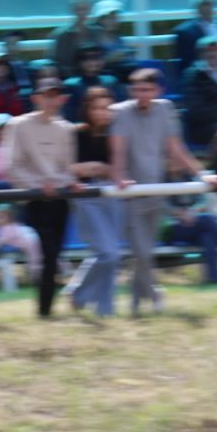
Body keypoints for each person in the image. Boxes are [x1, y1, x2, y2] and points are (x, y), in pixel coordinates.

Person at [110, 69, 217, 314]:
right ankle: (155, 296)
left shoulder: (165, 109)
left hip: (156, 189)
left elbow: (177, 149)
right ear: (131, 90)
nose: (142, 95)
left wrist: (201, 174)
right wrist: (119, 177)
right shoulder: (120, 112)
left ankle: (136, 304)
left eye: (147, 90)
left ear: (158, 90)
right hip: (130, 192)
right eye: (137, 89)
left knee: (145, 252)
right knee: (140, 252)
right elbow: (117, 152)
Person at [0, 80, 80, 316]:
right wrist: (38, 185)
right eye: (46, 95)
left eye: (55, 95)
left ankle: (46, 308)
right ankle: (44, 308)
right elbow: (11, 165)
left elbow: (68, 166)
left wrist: (62, 183)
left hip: (59, 198)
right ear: (36, 98)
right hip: (33, 199)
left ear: (61, 99)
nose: (50, 100)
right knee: (46, 252)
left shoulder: (66, 128)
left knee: (54, 254)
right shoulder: (18, 125)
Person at [69, 87, 126, 318]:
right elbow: (67, 167)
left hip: (110, 195)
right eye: (97, 108)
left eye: (107, 108)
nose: (102, 113)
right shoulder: (76, 133)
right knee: (108, 253)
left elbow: (117, 169)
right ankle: (78, 294)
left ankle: (106, 309)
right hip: (85, 196)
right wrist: (96, 168)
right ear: (87, 110)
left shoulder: (116, 133)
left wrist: (103, 169)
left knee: (111, 255)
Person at [163, 198, 217, 285]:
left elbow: (203, 200)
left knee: (208, 238)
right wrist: (181, 213)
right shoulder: (167, 186)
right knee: (208, 219)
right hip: (176, 227)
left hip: (197, 226)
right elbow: (163, 205)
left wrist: (192, 213)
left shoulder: (194, 185)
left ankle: (214, 277)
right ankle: (215, 275)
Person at [180, 38, 217, 150]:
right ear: (201, 54)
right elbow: (197, 111)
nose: (213, 54)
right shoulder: (192, 76)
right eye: (209, 51)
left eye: (216, 51)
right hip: (205, 127)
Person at [174, 0, 217, 74]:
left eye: (211, 4)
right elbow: (187, 61)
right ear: (197, 8)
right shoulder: (186, 32)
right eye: (205, 4)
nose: (209, 7)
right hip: (207, 74)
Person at [53, 0, 96, 72]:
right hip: (70, 75)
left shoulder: (96, 32)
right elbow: (56, 61)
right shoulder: (62, 34)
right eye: (79, 9)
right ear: (73, 11)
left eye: (85, 9)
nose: (82, 13)